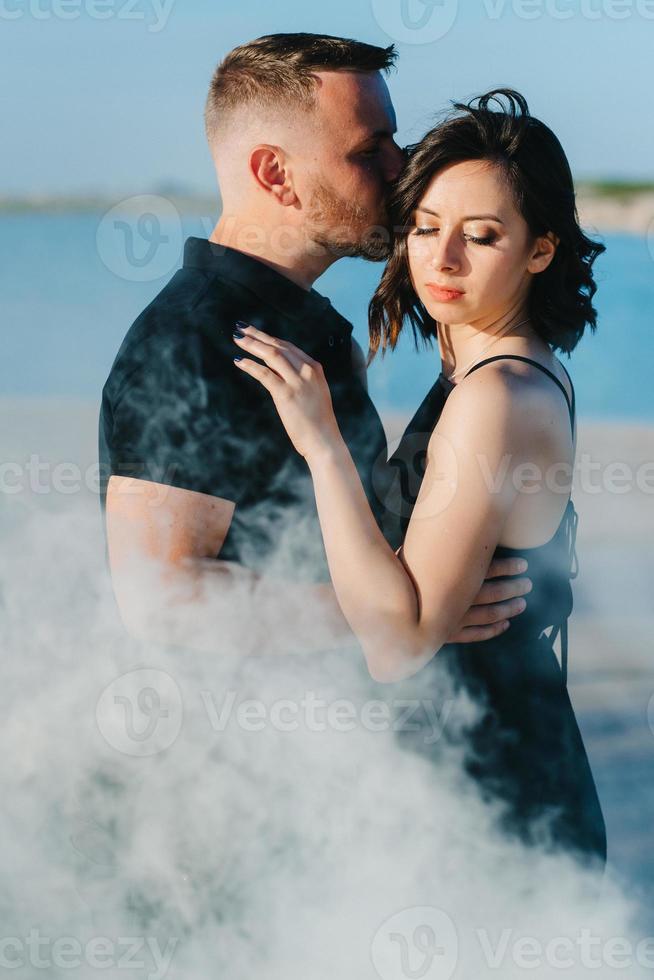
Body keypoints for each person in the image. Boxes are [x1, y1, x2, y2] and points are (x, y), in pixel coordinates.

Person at [232, 89, 607, 865]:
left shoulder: (496, 397)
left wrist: (322, 443)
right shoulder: (511, 365)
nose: (441, 260)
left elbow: (398, 646)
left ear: (540, 250)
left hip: (492, 808)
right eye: (425, 228)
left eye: (482, 236)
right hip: (493, 777)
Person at [99, 36, 532, 657]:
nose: (398, 167)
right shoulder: (189, 342)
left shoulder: (304, 325)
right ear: (275, 174)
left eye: (393, 140)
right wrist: (396, 615)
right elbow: (159, 599)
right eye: (367, 151)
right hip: (246, 742)